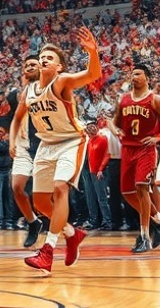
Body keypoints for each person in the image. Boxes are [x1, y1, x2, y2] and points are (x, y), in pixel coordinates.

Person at [11, 28, 101, 276]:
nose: (44, 59)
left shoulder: (61, 82)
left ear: (59, 67)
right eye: (42, 56)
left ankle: (48, 251)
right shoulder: (28, 91)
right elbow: (18, 118)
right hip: (46, 143)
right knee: (40, 202)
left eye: (50, 58)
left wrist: (92, 52)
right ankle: (72, 234)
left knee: (60, 187)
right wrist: (13, 139)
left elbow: (94, 74)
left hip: (71, 140)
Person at [112, 64, 160, 254]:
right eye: (132, 74)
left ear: (147, 77)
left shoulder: (155, 100)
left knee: (141, 188)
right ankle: (159, 219)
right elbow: (114, 122)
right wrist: (115, 129)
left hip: (146, 150)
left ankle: (144, 236)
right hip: (127, 150)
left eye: (138, 74)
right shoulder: (123, 100)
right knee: (127, 192)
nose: (134, 77)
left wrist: (158, 138)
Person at [9, 57, 44, 248]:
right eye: (27, 65)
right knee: (16, 186)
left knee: (43, 196)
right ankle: (32, 222)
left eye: (34, 64)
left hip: (45, 144)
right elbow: (16, 118)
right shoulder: (24, 93)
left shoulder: (51, 87)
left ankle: (64, 229)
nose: (29, 67)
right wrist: (12, 142)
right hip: (25, 145)